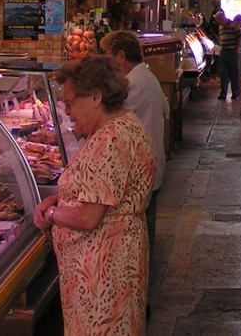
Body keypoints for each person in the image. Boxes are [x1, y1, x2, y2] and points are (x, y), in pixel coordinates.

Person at [33, 55, 156, 336]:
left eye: (70, 102)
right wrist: (60, 199)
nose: (67, 111)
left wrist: (52, 214)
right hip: (116, 263)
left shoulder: (109, 140)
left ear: (96, 98)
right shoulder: (126, 124)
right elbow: (101, 192)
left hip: (103, 273)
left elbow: (89, 216)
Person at [100, 30, 169, 258]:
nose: (105, 59)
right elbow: (166, 110)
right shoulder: (147, 77)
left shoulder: (134, 83)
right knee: (146, 223)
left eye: (106, 54)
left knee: (141, 230)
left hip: (142, 165)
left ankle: (141, 275)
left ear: (120, 56)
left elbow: (110, 118)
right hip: (150, 162)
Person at [214, 11, 241, 101]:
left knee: (233, 74)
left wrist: (238, 48)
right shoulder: (220, 26)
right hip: (223, 52)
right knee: (223, 74)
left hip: (232, 52)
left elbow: (239, 37)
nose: (217, 22)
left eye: (218, 20)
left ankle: (235, 93)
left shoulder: (234, 25)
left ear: (222, 18)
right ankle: (223, 93)